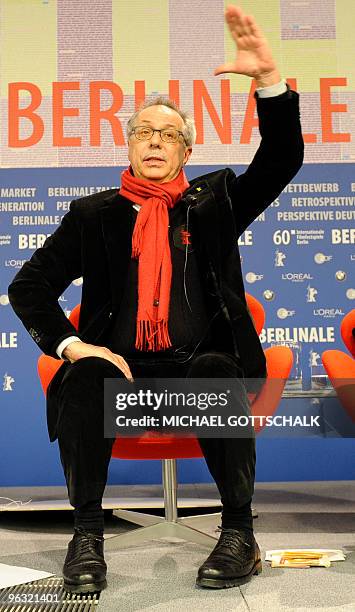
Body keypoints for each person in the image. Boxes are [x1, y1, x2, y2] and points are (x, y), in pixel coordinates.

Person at [8, 4, 303, 594]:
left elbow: (280, 162)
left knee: (219, 370)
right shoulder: (94, 216)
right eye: (145, 132)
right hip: (121, 370)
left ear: (185, 154)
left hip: (198, 366)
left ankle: (238, 534)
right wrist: (71, 345)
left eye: (169, 135)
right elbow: (28, 287)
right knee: (86, 376)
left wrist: (270, 82)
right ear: (129, 144)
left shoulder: (213, 204)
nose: (155, 142)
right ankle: (87, 534)